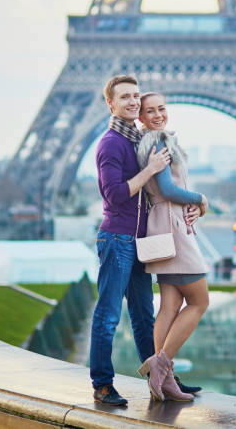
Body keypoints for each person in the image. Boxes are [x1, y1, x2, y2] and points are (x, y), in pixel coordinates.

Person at [90, 75, 201, 406]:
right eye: (124, 97)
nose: (132, 101)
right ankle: (102, 384)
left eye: (135, 96)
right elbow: (115, 194)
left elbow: (156, 195)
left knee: (143, 317)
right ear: (110, 104)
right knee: (108, 316)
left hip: (139, 240)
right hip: (117, 239)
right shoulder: (111, 143)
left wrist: (191, 207)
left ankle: (162, 377)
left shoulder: (137, 139)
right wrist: (151, 168)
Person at [136, 92, 209, 402]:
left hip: (162, 226)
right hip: (174, 229)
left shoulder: (150, 142)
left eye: (161, 108)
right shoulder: (158, 143)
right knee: (199, 301)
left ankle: (163, 380)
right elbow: (167, 188)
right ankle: (160, 364)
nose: (157, 114)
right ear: (140, 116)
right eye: (149, 110)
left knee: (168, 306)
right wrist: (202, 199)